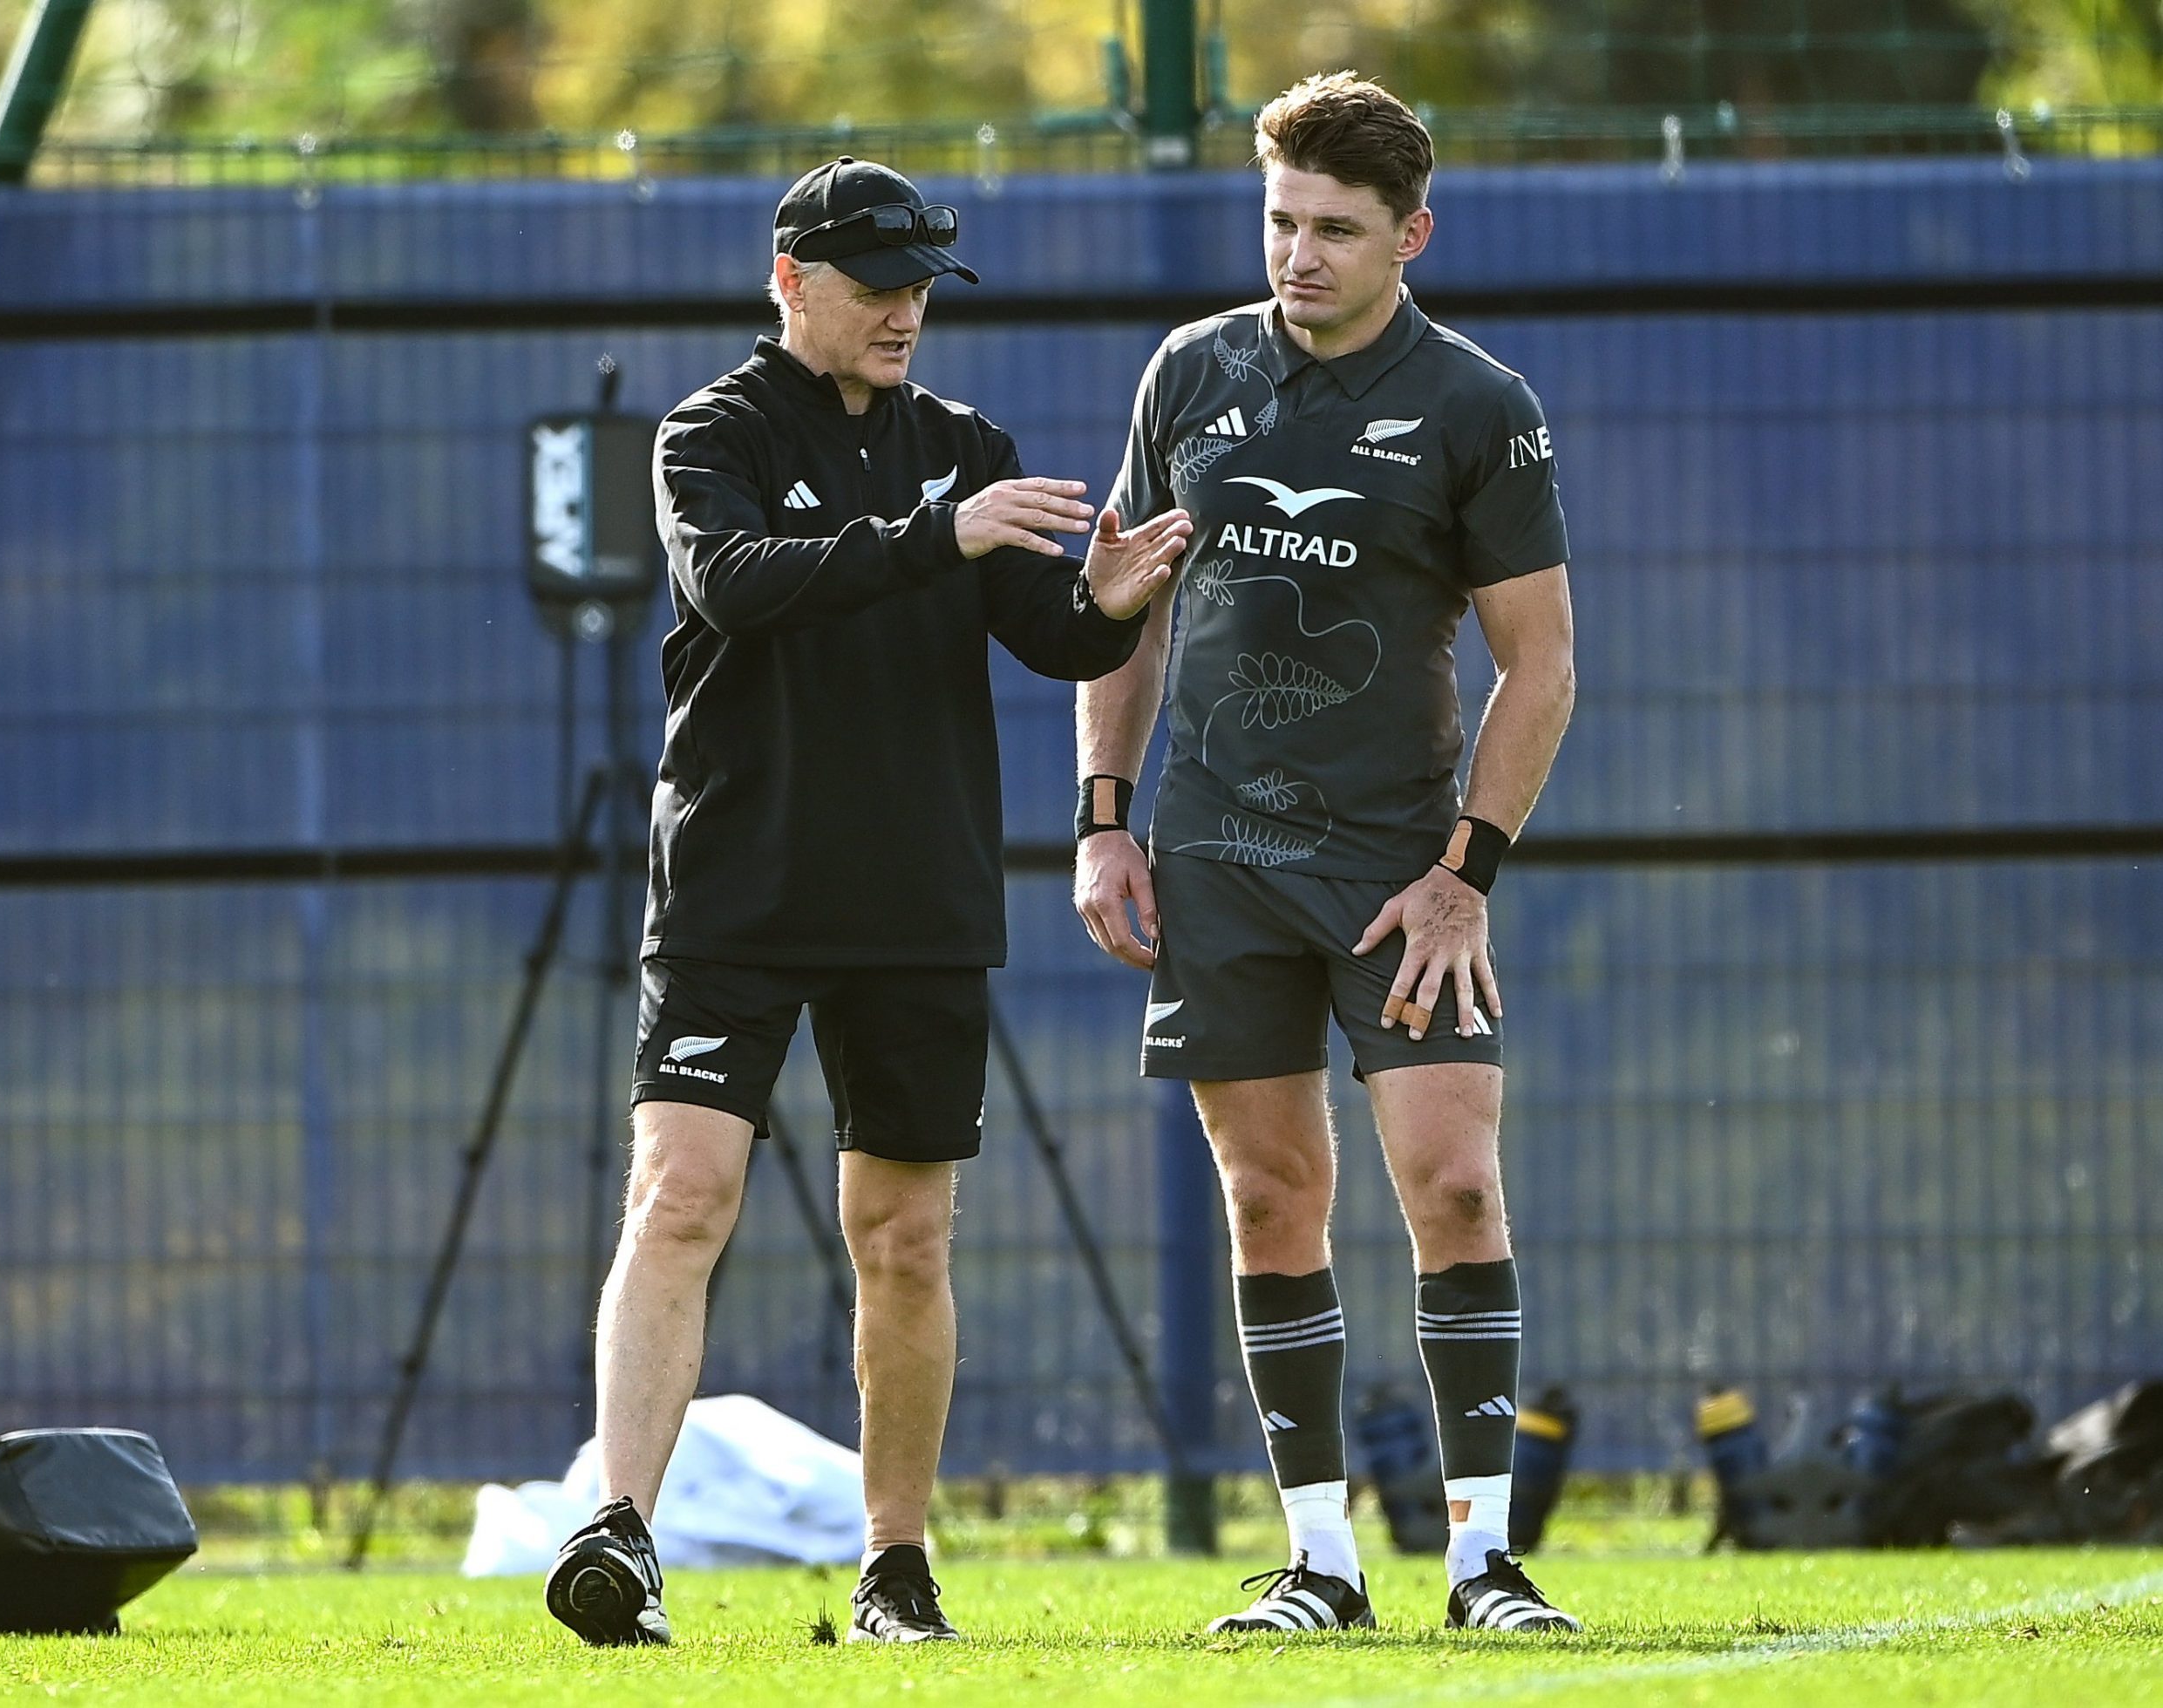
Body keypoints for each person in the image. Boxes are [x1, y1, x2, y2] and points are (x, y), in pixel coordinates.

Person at [544, 155, 1193, 1648]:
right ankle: (621, 1535)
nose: (906, 313)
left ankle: (895, 1569)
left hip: (919, 896)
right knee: (681, 1194)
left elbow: (1056, 639)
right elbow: (735, 584)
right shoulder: (711, 431)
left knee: (902, 1234)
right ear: (793, 283)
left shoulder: (966, 443)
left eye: (921, 289)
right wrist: (938, 536)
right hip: (738, 887)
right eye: (876, 287)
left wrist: (1112, 594)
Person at [1072, 73, 1581, 1634]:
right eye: (1282, 221)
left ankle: (1485, 1564)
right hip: (1214, 858)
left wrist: (1462, 872)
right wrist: (1104, 820)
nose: (1299, 254)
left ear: (1410, 235)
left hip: (1394, 877)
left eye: (1337, 230)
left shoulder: (1481, 406)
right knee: (1271, 1197)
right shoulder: (1191, 371)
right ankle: (1321, 1567)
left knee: (1456, 1188)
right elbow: (1123, 605)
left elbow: (1541, 665)